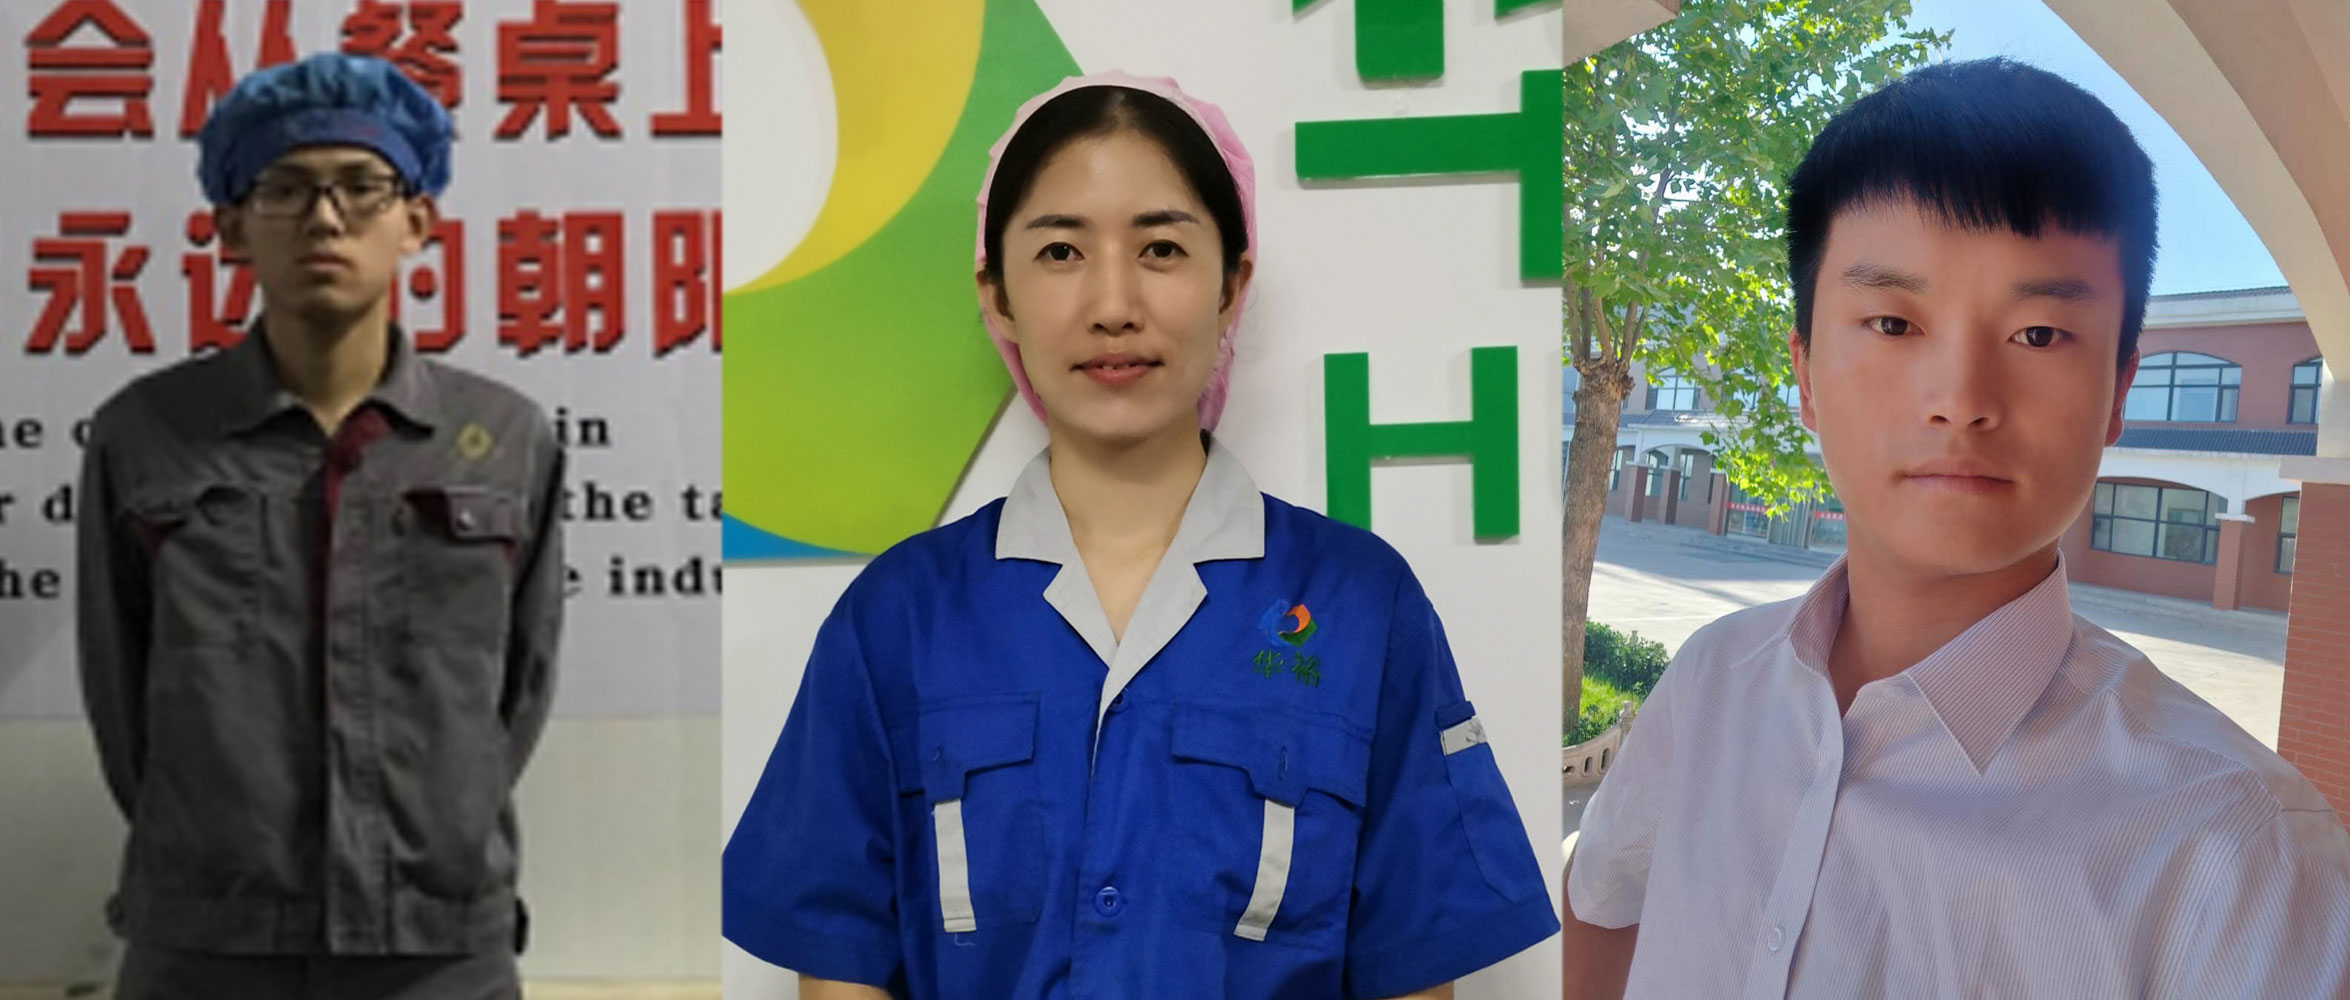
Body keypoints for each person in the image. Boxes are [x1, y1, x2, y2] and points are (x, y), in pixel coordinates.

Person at [723, 73, 1559, 1000]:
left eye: (1161, 247)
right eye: (1060, 252)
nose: (1113, 303)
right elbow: (838, 964)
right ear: (997, 295)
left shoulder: (1362, 605)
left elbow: (1415, 964)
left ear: (1231, 284)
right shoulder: (896, 619)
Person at [1561, 58, 2350, 999]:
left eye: (2039, 334)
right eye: (1893, 324)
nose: (1963, 399)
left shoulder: (2245, 863)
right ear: (1805, 375)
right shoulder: (1711, 682)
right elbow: (1603, 906)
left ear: (2117, 392)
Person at [75, 53, 565, 1000]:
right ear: (230, 226)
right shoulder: (147, 434)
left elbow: (517, 693)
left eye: (362, 186)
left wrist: (429, 840)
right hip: (205, 948)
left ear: (417, 221)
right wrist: (224, 864)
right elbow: (122, 694)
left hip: (438, 949)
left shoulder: (505, 440)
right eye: (286, 188)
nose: (326, 218)